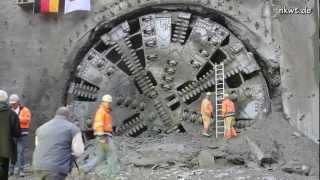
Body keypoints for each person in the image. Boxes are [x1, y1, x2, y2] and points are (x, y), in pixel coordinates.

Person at [33, 107, 84, 180]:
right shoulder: (73, 129)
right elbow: (79, 151)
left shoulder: (41, 128)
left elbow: (37, 146)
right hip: (56, 168)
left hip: (38, 166)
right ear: (68, 116)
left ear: (55, 114)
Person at [81, 94, 113, 173]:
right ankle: (85, 168)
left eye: (108, 102)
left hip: (106, 135)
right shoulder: (101, 111)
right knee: (103, 154)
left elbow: (106, 125)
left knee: (105, 153)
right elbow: (98, 124)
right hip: (102, 136)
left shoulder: (105, 112)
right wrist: (101, 136)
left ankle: (109, 169)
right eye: (107, 102)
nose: (108, 104)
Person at [8, 94, 31, 177]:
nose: (12, 105)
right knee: (12, 152)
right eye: (11, 103)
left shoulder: (25, 110)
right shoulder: (9, 110)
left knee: (21, 152)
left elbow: (27, 119)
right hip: (12, 134)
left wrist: (16, 118)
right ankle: (11, 169)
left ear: (18, 102)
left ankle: (21, 170)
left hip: (22, 134)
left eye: (14, 103)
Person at [0, 90, 20, 180]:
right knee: (3, 171)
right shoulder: (12, 114)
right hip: (5, 149)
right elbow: (17, 133)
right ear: (6, 99)